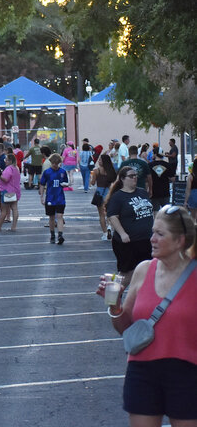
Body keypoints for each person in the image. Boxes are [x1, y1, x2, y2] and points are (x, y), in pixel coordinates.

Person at [96, 204, 197, 427]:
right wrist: (114, 304)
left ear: (180, 240)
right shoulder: (143, 270)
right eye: (153, 232)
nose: (152, 239)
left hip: (187, 375)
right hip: (142, 372)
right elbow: (125, 328)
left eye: (160, 234)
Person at [106, 166, 154, 288]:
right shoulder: (118, 197)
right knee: (127, 274)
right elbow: (112, 216)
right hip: (128, 242)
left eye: (136, 175)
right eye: (131, 176)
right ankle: (113, 298)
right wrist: (122, 233)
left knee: (146, 271)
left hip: (146, 240)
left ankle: (139, 301)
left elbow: (150, 211)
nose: (135, 178)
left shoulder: (142, 192)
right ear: (122, 179)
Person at [39, 153, 69, 245]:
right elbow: (42, 184)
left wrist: (65, 184)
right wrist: (42, 196)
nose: (55, 165)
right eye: (53, 164)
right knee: (51, 217)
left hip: (60, 197)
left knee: (60, 216)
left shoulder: (62, 172)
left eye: (57, 164)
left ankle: (60, 235)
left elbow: (66, 182)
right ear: (51, 163)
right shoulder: (47, 172)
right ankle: (52, 235)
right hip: (50, 198)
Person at [92, 153, 118, 241]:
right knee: (110, 213)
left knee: (101, 215)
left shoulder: (96, 171)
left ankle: (105, 233)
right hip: (109, 192)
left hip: (99, 192)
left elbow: (92, 182)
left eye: (100, 160)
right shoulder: (112, 171)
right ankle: (110, 226)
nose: (99, 161)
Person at [0, 153, 21, 232]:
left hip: (7, 191)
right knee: (14, 208)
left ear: (10, 161)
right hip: (16, 191)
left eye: (6, 160)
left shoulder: (8, 168)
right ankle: (14, 226)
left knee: (4, 210)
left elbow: (5, 179)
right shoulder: (16, 168)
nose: (5, 161)